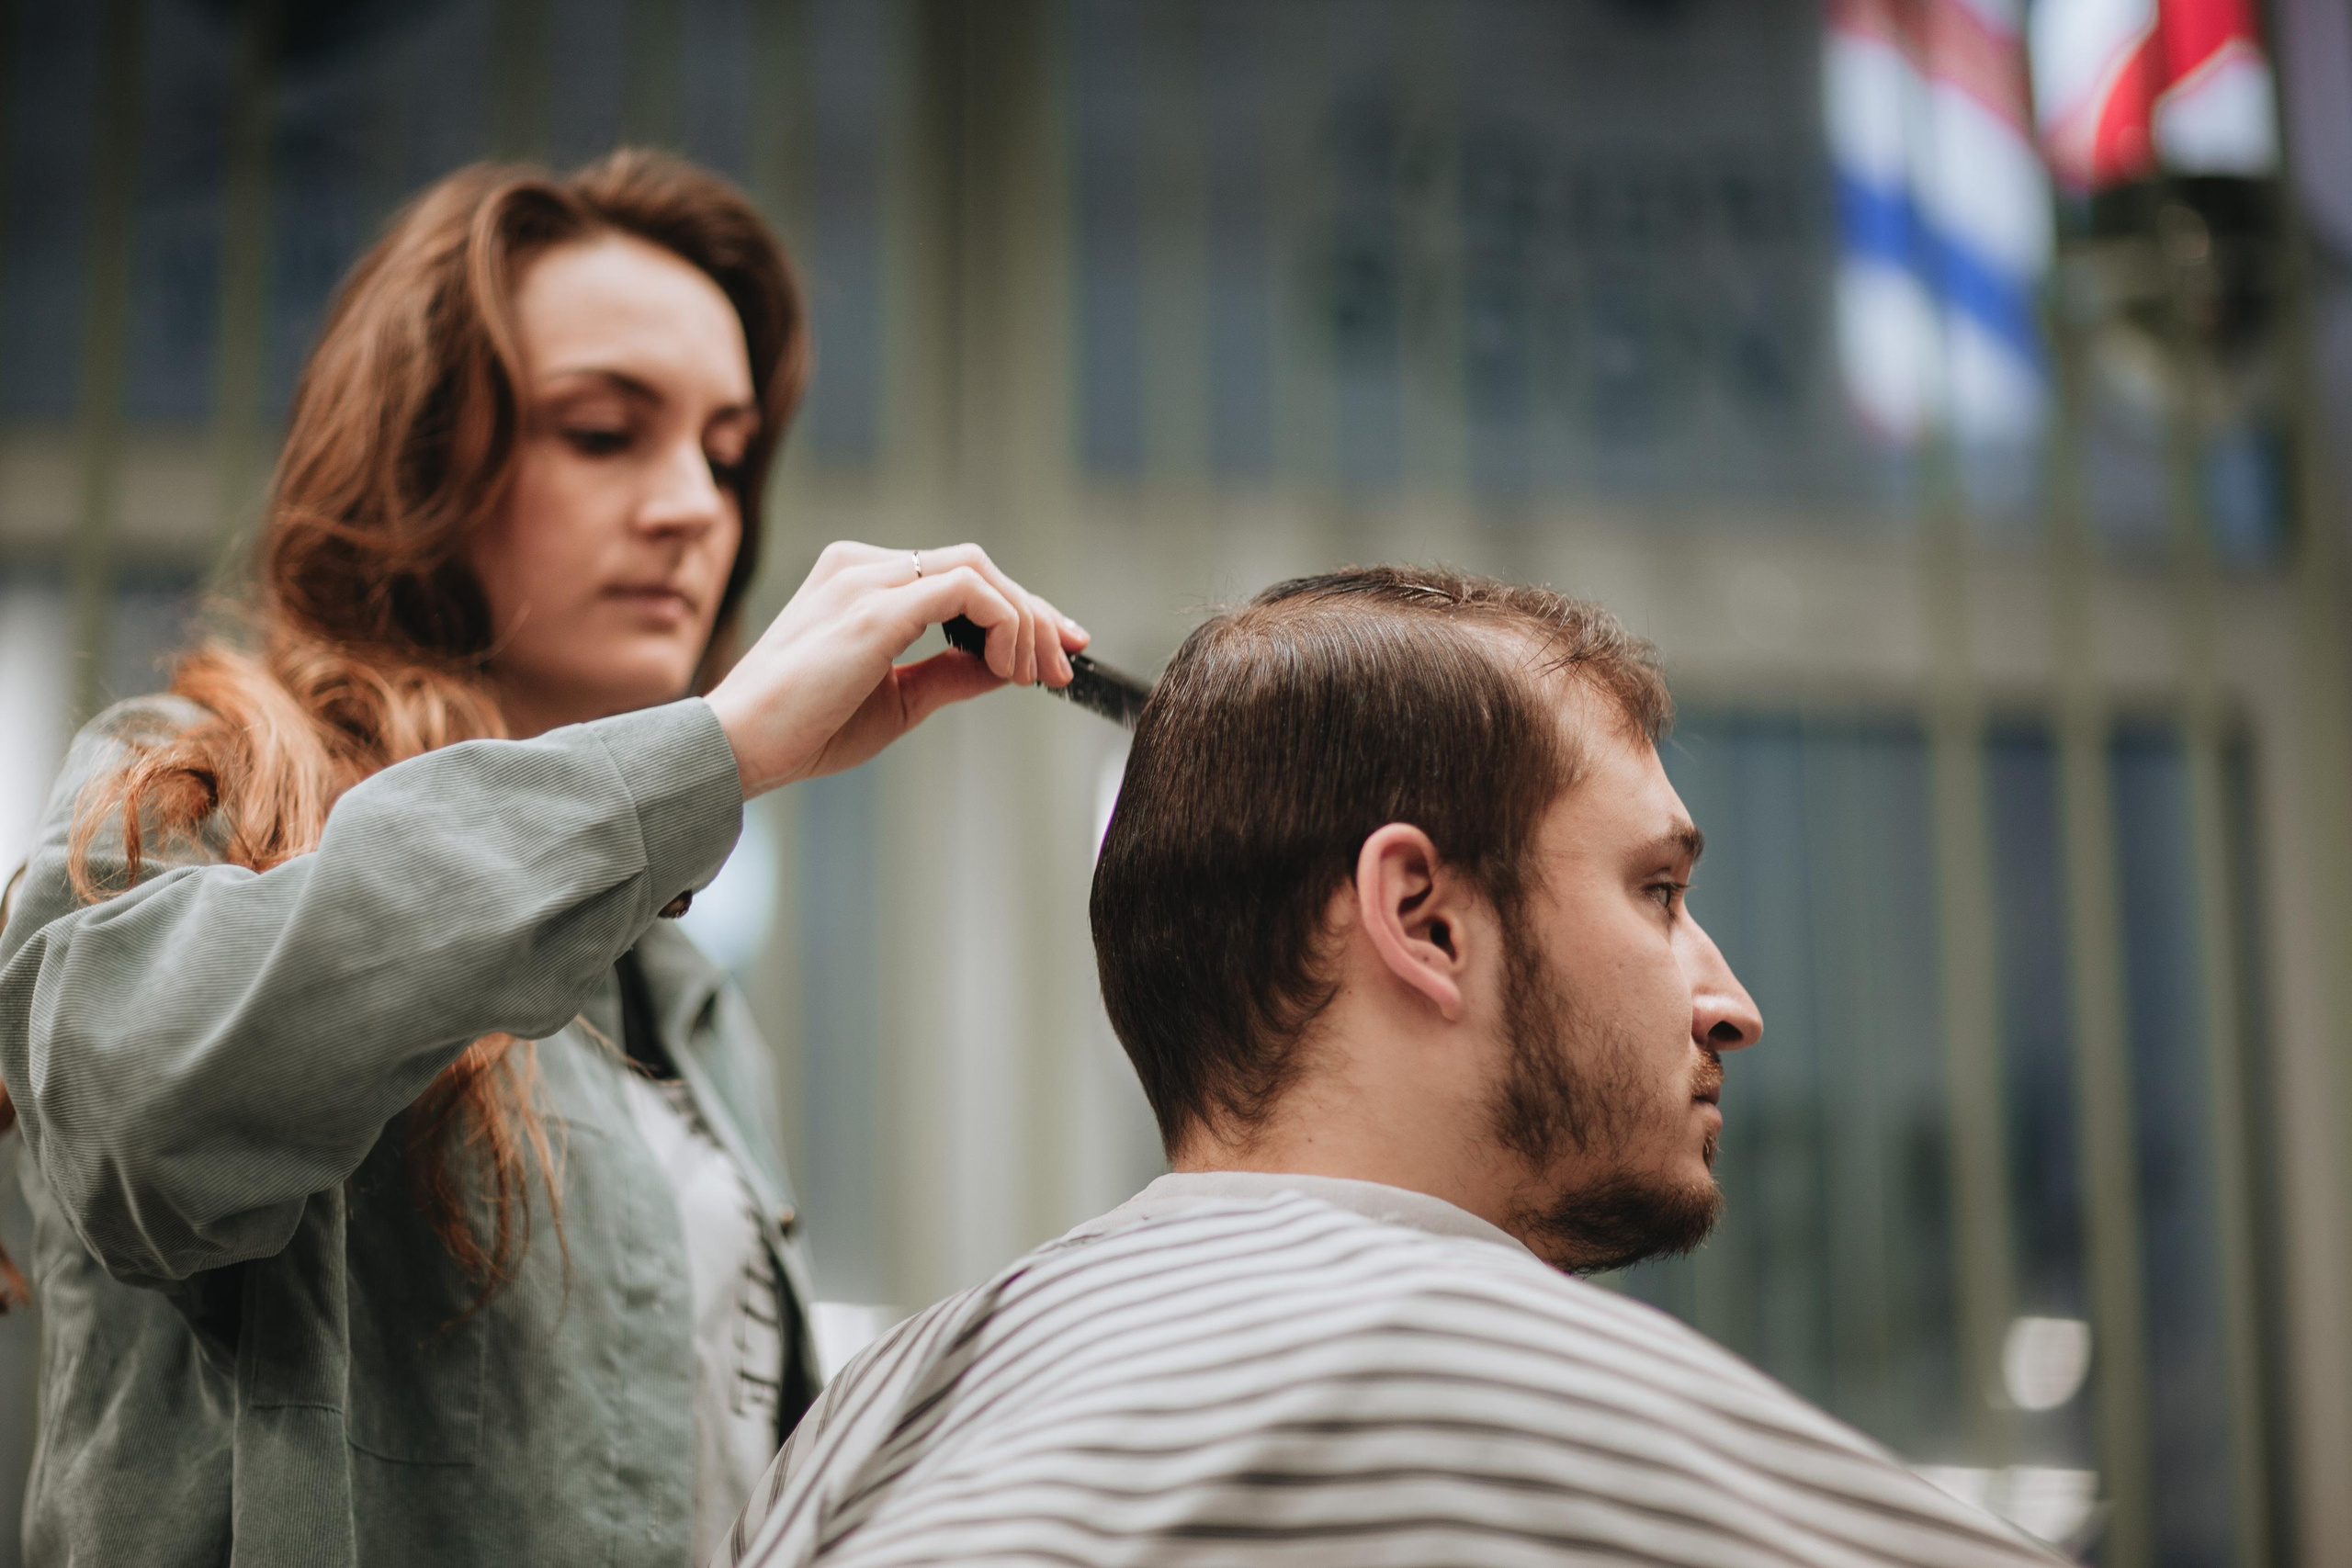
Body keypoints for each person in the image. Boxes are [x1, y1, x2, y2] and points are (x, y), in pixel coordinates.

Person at [0, 150, 1086, 1568]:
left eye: (726, 448)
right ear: (422, 460)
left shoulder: (680, 1001)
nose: (695, 503)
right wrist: (718, 753)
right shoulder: (206, 783)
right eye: (602, 431)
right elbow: (135, 1117)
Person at [720, 567, 2064, 1568]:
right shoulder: (1479, 1394)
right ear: (1423, 918)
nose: (1732, 1004)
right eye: (1657, 891)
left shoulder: (861, 1422)